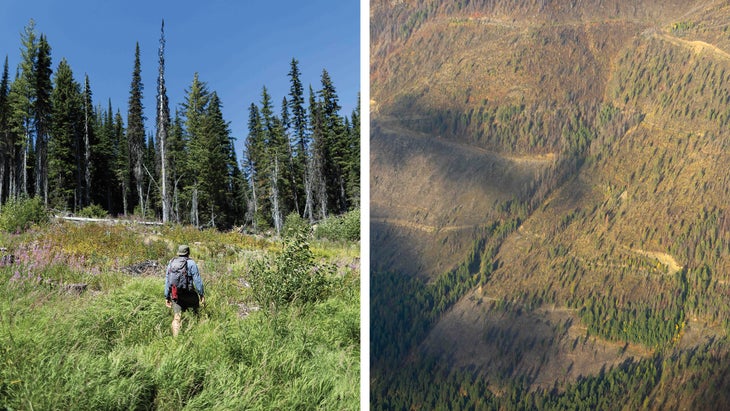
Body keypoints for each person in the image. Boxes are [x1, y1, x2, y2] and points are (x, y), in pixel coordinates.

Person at [164, 244, 205, 336]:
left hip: (176, 294)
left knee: (177, 317)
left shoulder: (172, 262)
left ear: (178, 252)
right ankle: (196, 334)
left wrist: (167, 296)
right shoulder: (191, 263)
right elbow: (197, 280)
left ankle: (176, 340)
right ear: (188, 253)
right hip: (189, 294)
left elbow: (167, 280)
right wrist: (201, 294)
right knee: (195, 314)